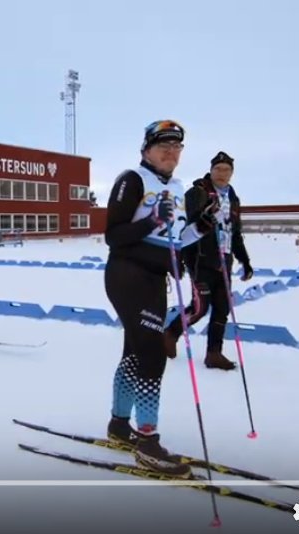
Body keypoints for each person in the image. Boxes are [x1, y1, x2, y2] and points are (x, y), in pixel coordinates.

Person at [103, 119, 218, 476]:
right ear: (146, 150)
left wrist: (201, 227)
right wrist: (152, 220)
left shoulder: (179, 188)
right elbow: (113, 235)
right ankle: (148, 443)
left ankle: (119, 426)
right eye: (163, 146)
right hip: (127, 275)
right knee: (152, 354)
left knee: (135, 353)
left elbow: (176, 239)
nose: (171, 152)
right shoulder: (132, 180)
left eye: (176, 147)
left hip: (155, 280)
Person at [163, 151, 254, 371]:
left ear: (232, 173)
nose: (222, 173)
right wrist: (180, 259)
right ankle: (170, 334)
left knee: (222, 308)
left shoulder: (233, 198)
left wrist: (245, 261)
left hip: (224, 260)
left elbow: (236, 233)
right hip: (200, 260)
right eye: (218, 169)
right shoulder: (198, 192)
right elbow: (185, 227)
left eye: (227, 170)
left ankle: (214, 353)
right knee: (199, 307)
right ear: (211, 170)